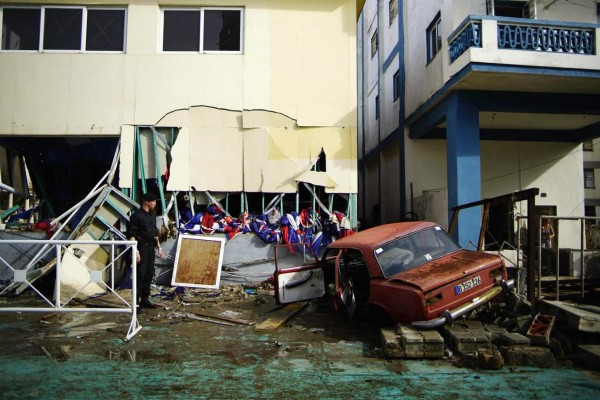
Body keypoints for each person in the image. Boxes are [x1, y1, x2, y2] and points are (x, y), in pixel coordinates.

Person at [128, 192, 164, 310]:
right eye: (153, 201)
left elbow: (155, 234)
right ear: (146, 202)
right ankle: (136, 301)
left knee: (149, 273)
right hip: (141, 247)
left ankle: (145, 299)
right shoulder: (136, 216)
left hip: (150, 248)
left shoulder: (151, 217)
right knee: (140, 274)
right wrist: (136, 251)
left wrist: (159, 248)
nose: (154, 204)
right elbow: (132, 234)